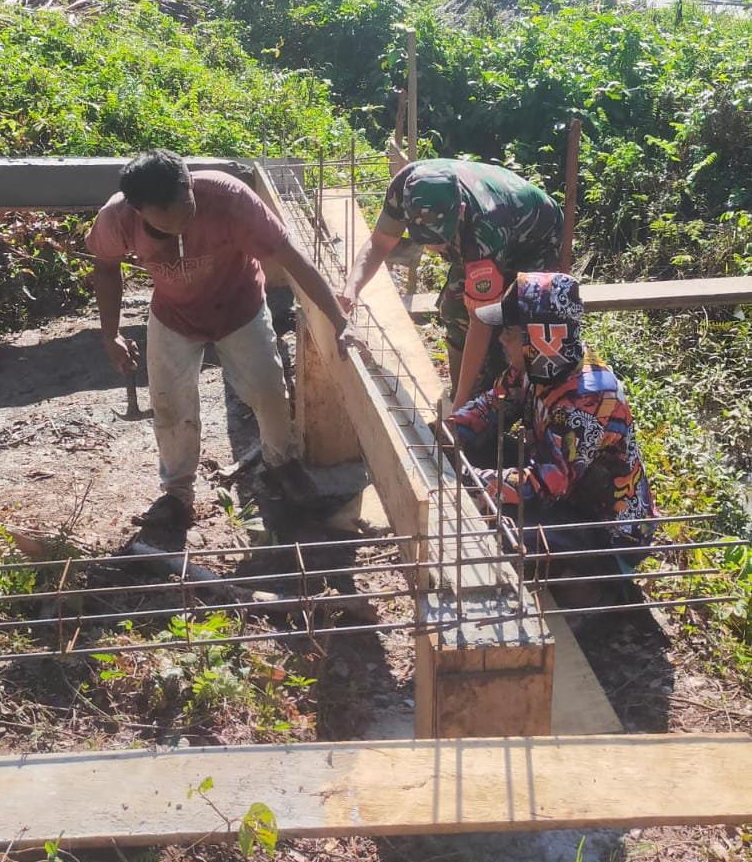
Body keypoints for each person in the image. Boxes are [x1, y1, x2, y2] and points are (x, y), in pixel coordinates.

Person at [88, 150, 353, 528]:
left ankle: (281, 465)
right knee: (170, 405)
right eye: (168, 219)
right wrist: (110, 333)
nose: (183, 221)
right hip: (174, 316)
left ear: (188, 183)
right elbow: (105, 269)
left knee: (268, 391)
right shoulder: (117, 219)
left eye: (187, 207)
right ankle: (177, 492)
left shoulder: (229, 199)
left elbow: (290, 256)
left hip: (239, 306)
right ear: (139, 210)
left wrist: (339, 319)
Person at [448, 271, 657, 580]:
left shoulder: (588, 399)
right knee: (482, 452)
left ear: (542, 337)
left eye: (510, 332)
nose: (501, 339)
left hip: (605, 529)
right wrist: (451, 430)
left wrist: (474, 481)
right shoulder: (535, 366)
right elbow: (493, 405)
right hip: (565, 489)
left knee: (503, 533)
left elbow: (549, 483)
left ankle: (600, 583)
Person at [339, 158, 563, 409]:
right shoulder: (406, 188)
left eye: (440, 238)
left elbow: (481, 321)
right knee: (454, 309)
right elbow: (380, 243)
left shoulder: (483, 232)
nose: (433, 247)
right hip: (487, 230)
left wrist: (458, 406)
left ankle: (501, 400)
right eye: (425, 239)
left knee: (509, 327)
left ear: (461, 210)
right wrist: (351, 290)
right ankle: (464, 393)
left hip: (534, 241)